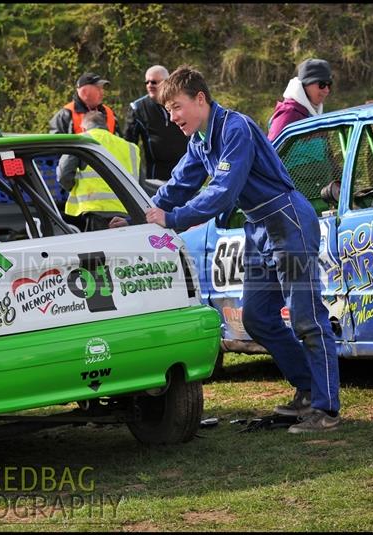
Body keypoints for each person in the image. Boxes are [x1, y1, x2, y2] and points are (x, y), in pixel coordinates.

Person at [110, 66, 341, 433]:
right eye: (168, 110)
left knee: (307, 317)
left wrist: (172, 220)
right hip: (258, 228)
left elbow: (223, 192)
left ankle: (326, 410)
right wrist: (139, 218)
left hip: (288, 221)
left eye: (177, 107)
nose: (172, 118)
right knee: (257, 319)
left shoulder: (236, 127)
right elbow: (176, 186)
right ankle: (308, 389)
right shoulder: (200, 141)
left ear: (200, 99)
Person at [58, 111, 139, 231]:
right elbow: (140, 184)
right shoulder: (130, 147)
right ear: (106, 126)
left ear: (83, 127)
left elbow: (64, 175)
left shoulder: (81, 141)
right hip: (128, 214)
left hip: (96, 211)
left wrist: (74, 188)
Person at [123, 65, 188, 190]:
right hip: (156, 176)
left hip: (185, 173)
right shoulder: (138, 108)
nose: (149, 85)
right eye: (146, 82)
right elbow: (128, 144)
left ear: (167, 82)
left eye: (154, 82)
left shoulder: (183, 102)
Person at [267, 58, 332, 141]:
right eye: (322, 85)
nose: (326, 90)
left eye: (329, 85)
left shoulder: (317, 114)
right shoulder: (289, 113)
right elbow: (271, 151)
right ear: (306, 84)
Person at [49, 72, 121, 135]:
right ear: (84, 92)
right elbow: (55, 146)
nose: (102, 92)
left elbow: (119, 142)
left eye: (102, 88)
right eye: (98, 88)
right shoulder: (65, 115)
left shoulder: (109, 113)